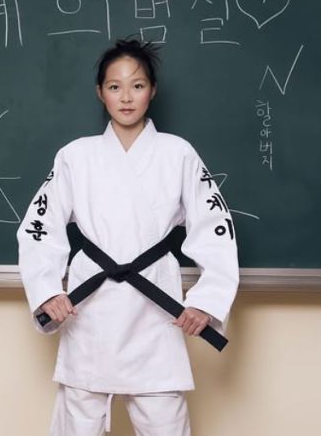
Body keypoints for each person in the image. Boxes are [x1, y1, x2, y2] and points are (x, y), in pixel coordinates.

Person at [17, 38, 239, 435]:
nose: (126, 97)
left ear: (152, 91)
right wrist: (47, 290)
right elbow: (39, 227)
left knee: (165, 421)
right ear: (100, 93)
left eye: (137, 85)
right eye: (115, 86)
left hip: (155, 306)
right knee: (78, 421)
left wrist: (206, 300)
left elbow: (216, 229)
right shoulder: (76, 156)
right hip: (90, 310)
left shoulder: (178, 153)